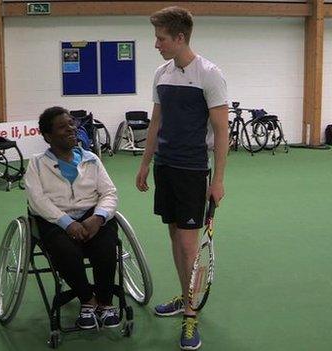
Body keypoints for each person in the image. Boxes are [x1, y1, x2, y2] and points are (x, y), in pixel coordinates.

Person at [135, 6, 229, 350]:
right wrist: (145, 164)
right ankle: (186, 295)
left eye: (160, 38)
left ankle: (191, 314)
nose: (156, 44)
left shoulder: (210, 74)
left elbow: (222, 132)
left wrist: (217, 181)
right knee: (175, 237)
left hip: (192, 171)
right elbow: (155, 123)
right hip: (165, 168)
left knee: (190, 245)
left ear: (179, 38)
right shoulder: (161, 73)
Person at [24, 106, 120, 330]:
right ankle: (88, 300)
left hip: (91, 214)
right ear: (48, 136)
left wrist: (98, 218)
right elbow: (37, 200)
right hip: (55, 218)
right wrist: (67, 223)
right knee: (65, 251)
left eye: (71, 124)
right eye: (62, 126)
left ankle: (105, 302)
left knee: (106, 245)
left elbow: (109, 193)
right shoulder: (37, 164)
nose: (70, 129)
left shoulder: (92, 159)